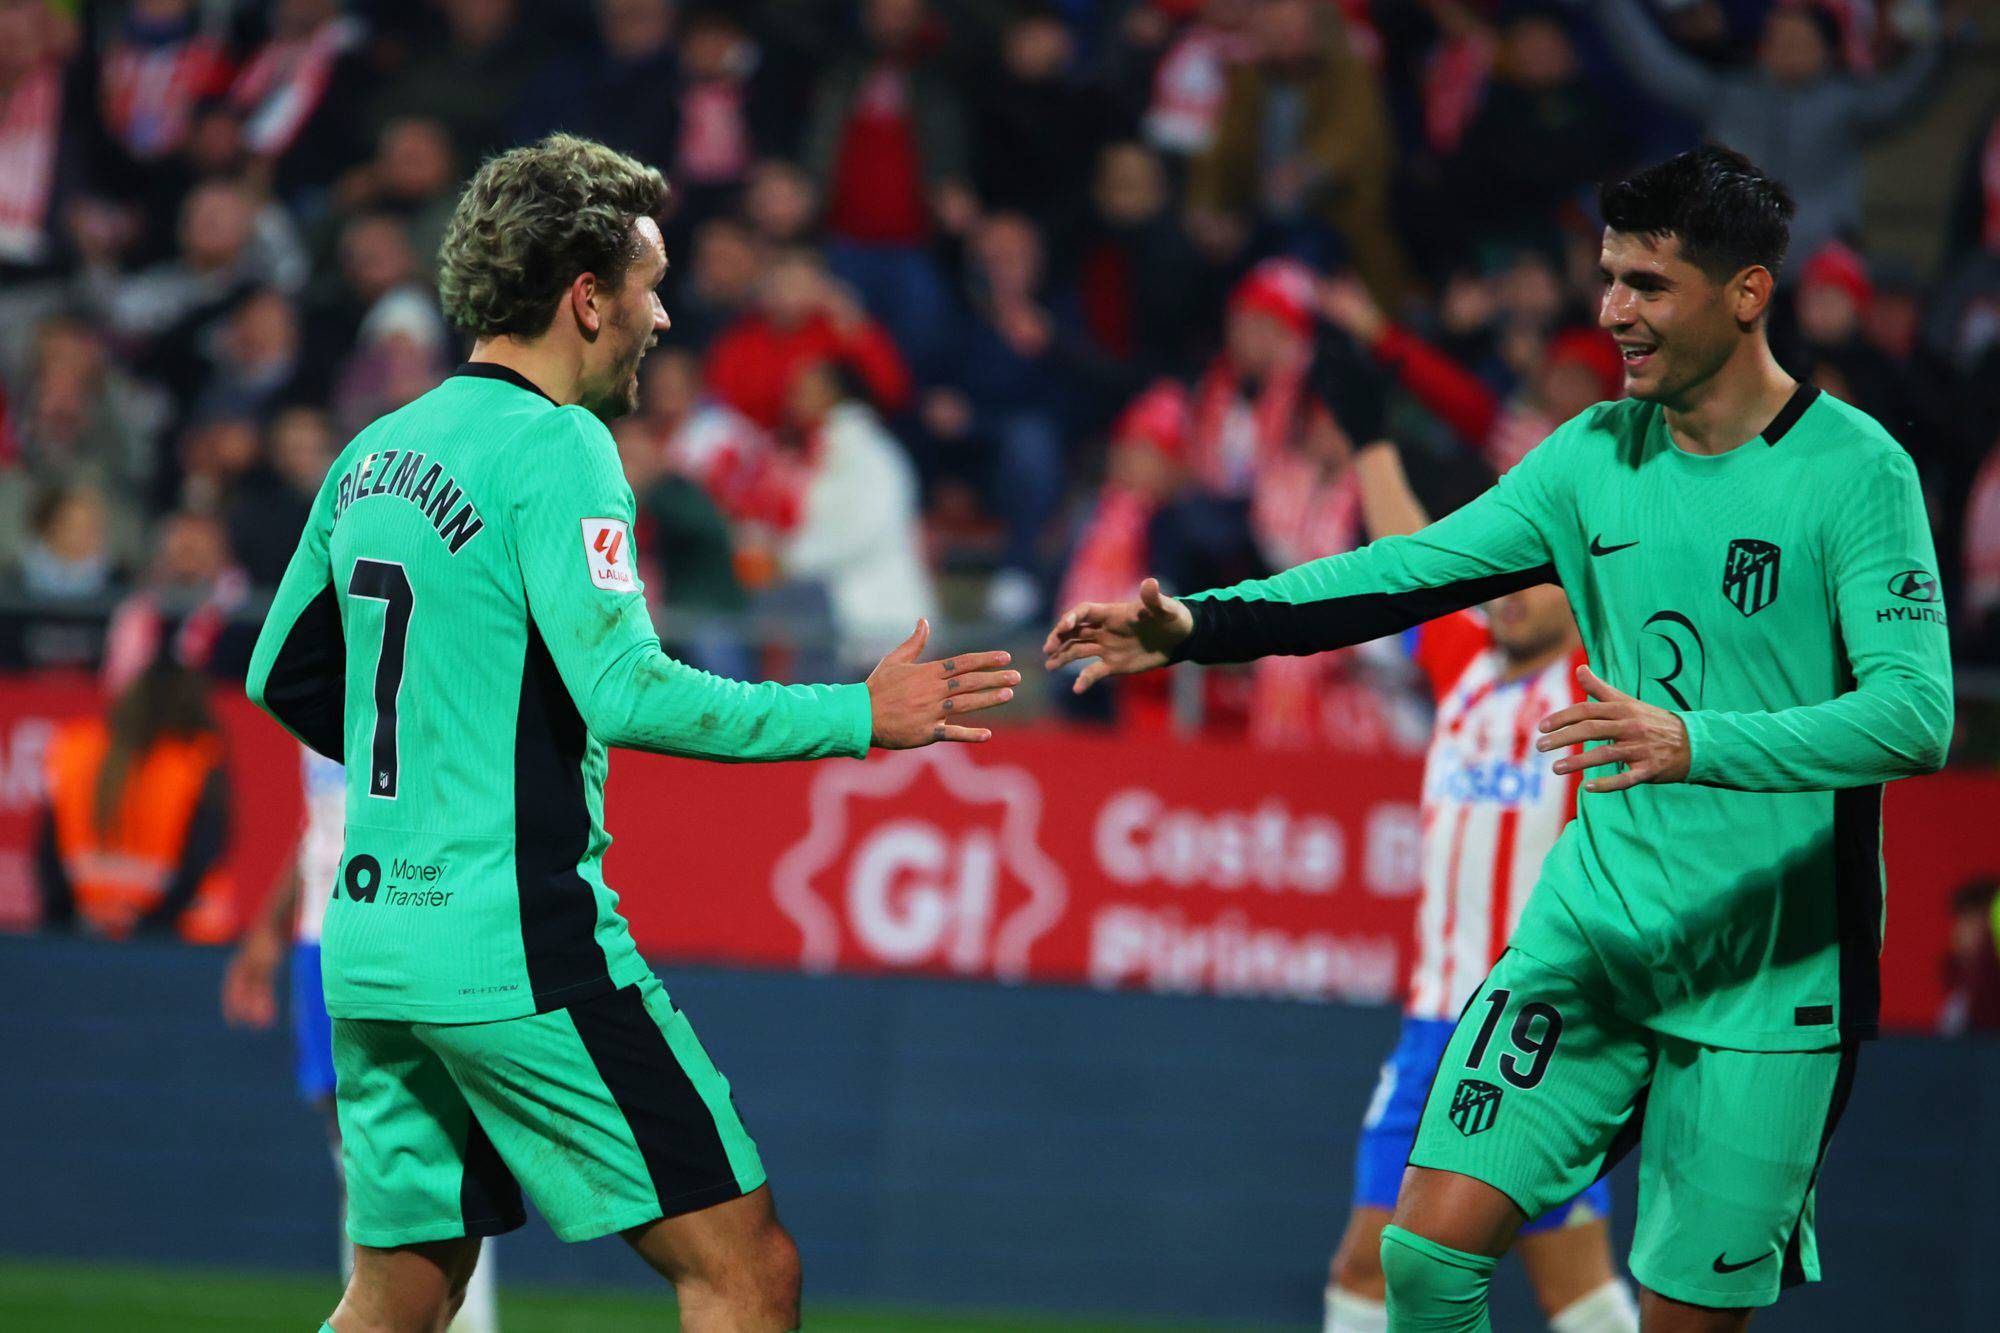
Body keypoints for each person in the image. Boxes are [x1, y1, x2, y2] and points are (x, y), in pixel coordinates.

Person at [1044, 146, 1953, 1330]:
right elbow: (1402, 574)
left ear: (1745, 295)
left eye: (1647, 285)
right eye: (1608, 278)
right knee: (1421, 1256)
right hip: (1591, 932)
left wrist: (1694, 741)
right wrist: (1196, 627)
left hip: (1769, 963)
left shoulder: (1853, 471)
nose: (1611, 312)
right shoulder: (1590, 456)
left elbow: (1916, 714)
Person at [245, 132, 1017, 1333]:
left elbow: (282, 671)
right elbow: (627, 691)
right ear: (585, 297)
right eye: (649, 287)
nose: (662, 319)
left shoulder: (372, 453)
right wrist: (857, 713)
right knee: (745, 1269)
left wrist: (447, 757)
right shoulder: (562, 448)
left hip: (369, 943)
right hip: (513, 942)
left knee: (400, 1290)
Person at [1324, 441, 1637, 1333]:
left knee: (1569, 1283)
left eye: (1530, 573)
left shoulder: (1603, 700)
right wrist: (1372, 441)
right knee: (1368, 1263)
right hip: (1433, 1025)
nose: (1504, 589)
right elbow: (1409, 554)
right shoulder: (1463, 662)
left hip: (1533, 1035)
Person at [224, 748, 501, 1333]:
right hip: (319, 936)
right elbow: (320, 823)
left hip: (406, 924)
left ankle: (462, 1319)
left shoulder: (415, 668)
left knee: (447, 1139)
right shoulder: (318, 676)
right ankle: (379, 1309)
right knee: (354, 1151)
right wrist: (269, 929)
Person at [36, 657, 235, 943]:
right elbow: (203, 855)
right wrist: (149, 923)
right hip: (176, 943)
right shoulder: (197, 761)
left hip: (81, 933)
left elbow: (48, 854)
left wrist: (68, 917)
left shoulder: (74, 749)